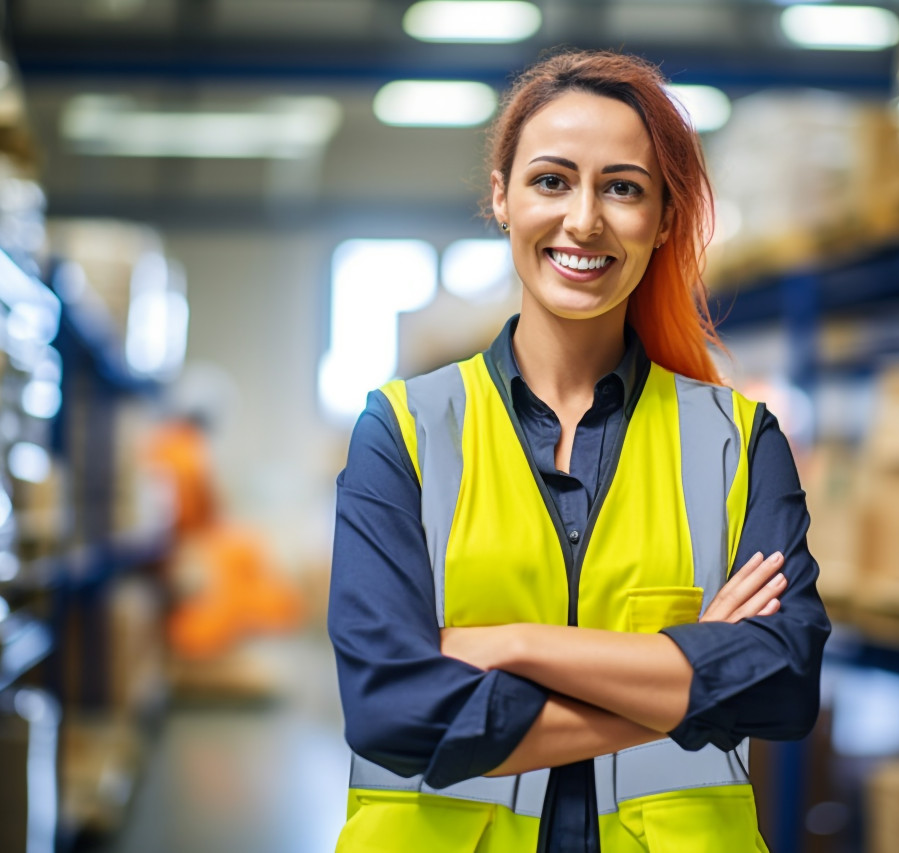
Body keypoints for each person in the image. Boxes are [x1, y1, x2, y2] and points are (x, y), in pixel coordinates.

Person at [329, 49, 831, 853]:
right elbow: (393, 709)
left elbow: (782, 680)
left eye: (623, 187)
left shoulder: (737, 440)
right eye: (552, 180)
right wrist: (687, 682)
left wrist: (514, 643)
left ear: (665, 217)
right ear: (502, 196)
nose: (585, 219)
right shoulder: (405, 431)